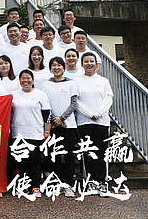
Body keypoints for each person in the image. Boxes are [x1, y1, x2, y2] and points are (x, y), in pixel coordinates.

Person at [75, 52, 113, 196]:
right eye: (86, 61)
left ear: (96, 64)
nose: (89, 64)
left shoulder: (103, 81)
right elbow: (75, 101)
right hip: (84, 122)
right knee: (87, 152)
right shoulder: (76, 81)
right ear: (82, 64)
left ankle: (102, 182)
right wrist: (88, 113)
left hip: (101, 122)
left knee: (102, 152)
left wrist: (98, 113)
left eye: (92, 61)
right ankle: (90, 182)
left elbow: (108, 98)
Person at [11, 70, 51, 198]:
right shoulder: (13, 95)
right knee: (21, 162)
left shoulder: (40, 95)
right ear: (19, 80)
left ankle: (35, 187)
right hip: (18, 133)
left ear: (32, 80)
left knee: (35, 162)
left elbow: (47, 114)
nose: (25, 81)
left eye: (28, 78)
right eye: (23, 78)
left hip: (36, 133)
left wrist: (47, 131)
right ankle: (24, 186)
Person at [44, 57, 78, 197]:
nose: (56, 68)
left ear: (64, 67)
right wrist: (55, 119)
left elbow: (74, 103)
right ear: (50, 68)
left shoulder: (71, 83)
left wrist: (62, 118)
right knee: (56, 155)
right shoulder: (46, 84)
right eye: (54, 65)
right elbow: (45, 104)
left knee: (69, 155)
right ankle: (58, 184)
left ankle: (68, 184)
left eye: (59, 65)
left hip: (69, 125)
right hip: (53, 126)